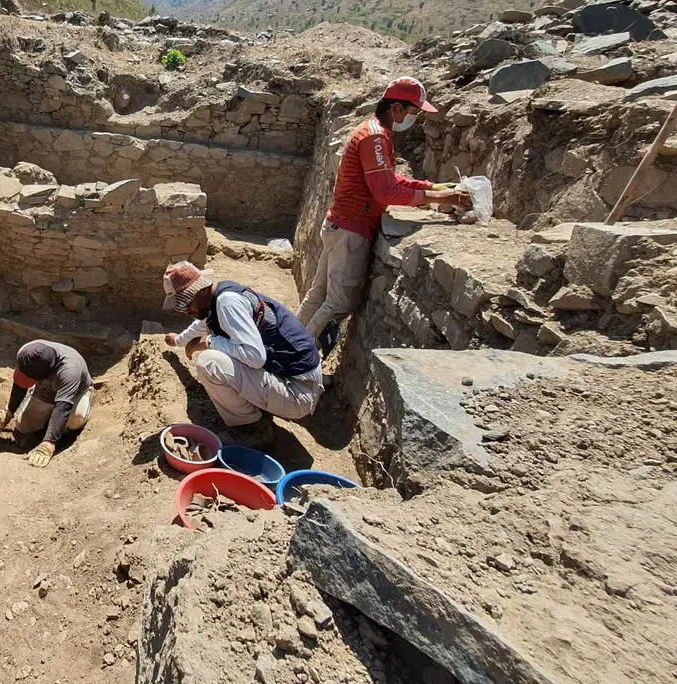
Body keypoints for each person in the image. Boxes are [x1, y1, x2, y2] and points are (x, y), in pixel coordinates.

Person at [296, 77, 471, 354]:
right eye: (413, 112)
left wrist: (432, 187)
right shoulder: (375, 137)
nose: (414, 119)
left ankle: (287, 346)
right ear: (397, 109)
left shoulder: (373, 132)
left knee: (318, 295)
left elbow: (389, 181)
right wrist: (440, 199)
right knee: (337, 303)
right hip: (351, 231)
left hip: (339, 225)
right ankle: (297, 361)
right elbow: (386, 192)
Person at [161, 261, 323, 447]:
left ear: (202, 290)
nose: (187, 311)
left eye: (186, 304)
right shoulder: (221, 295)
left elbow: (255, 357)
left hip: (299, 392)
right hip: (297, 380)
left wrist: (208, 342)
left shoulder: (227, 304)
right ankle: (258, 410)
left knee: (210, 363)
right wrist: (179, 341)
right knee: (225, 351)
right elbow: (203, 323)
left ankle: (255, 429)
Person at [0, 340, 93, 468]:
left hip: (75, 393)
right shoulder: (27, 351)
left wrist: (49, 443)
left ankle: (64, 434)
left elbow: (63, 407)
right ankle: (46, 423)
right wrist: (9, 411)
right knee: (23, 426)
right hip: (45, 391)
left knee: (75, 419)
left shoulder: (70, 371)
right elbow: (20, 383)